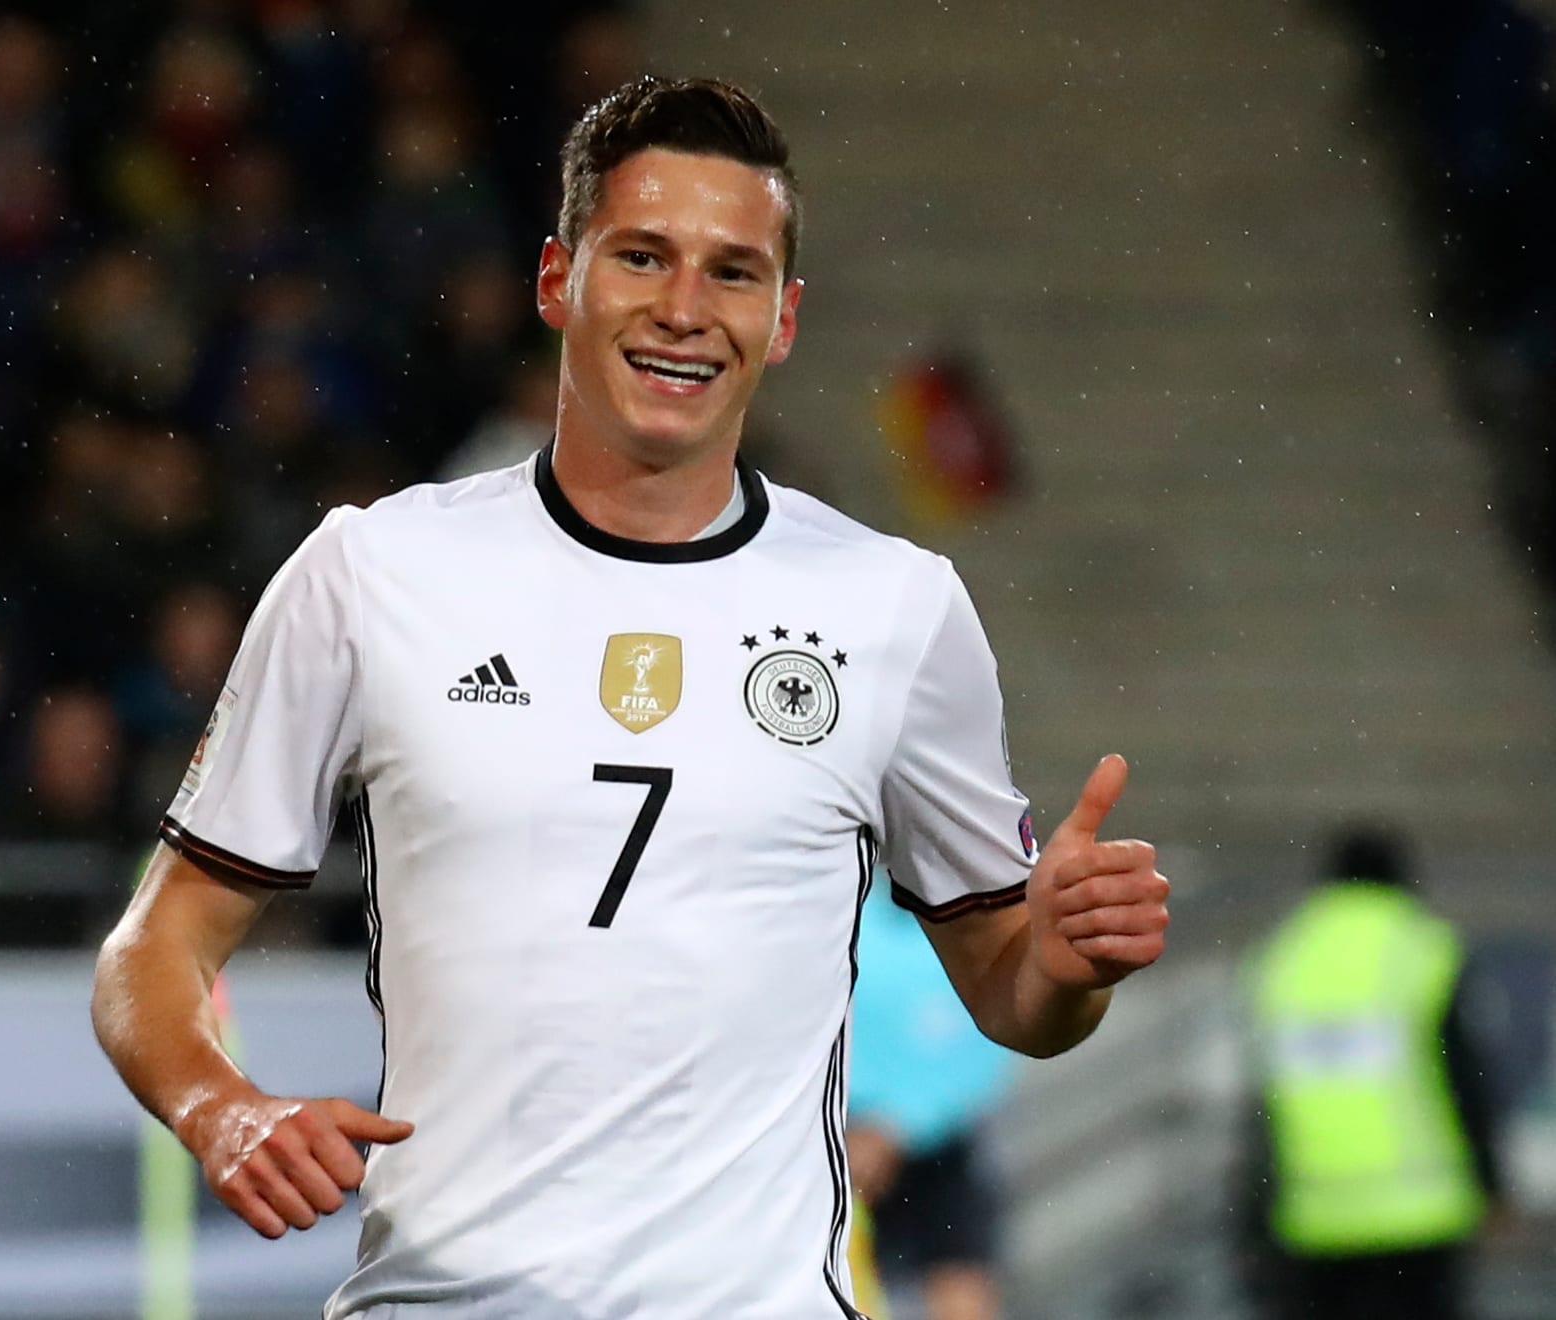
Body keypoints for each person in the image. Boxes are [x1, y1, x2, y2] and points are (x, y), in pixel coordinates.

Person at [91, 75, 1170, 1319]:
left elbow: (1010, 993)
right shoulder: (369, 574)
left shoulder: (895, 607)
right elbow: (152, 946)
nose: (683, 310)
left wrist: (1068, 963)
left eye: (732, 272)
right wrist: (217, 1106)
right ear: (558, 279)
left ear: (783, 318)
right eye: (643, 256)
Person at [1244, 826, 1504, 1320]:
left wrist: (1255, 1216)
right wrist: (1491, 1180)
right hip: (1420, 1211)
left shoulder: (1282, 956)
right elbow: (1464, 1073)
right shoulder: (1423, 947)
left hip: (1314, 1217)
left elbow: (1262, 1102)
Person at [848, 869, 1018, 1320]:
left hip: (942, 1154)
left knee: (963, 1297)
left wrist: (899, 1124)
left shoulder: (978, 928)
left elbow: (988, 1052)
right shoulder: (846, 920)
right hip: (845, 1152)